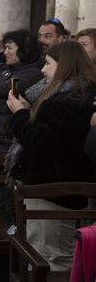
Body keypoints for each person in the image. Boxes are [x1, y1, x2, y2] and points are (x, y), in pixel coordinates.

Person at [7, 41, 96, 271]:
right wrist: (27, 112)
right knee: (38, 253)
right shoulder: (64, 96)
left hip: (54, 189)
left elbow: (40, 143)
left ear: (64, 65)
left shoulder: (72, 100)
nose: (43, 69)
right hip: (48, 186)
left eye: (48, 63)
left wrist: (20, 115)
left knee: (54, 259)